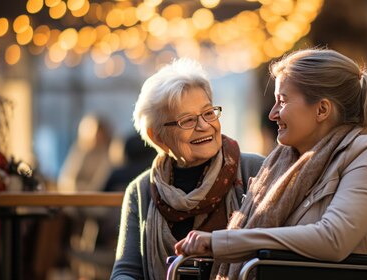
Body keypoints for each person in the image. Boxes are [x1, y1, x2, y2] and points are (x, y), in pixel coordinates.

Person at [174, 48, 367, 279]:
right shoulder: (281, 163)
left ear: (322, 109)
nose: (273, 114)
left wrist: (224, 242)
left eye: (282, 101)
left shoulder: (366, 151)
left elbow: (333, 238)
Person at [110, 58, 264, 280]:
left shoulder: (255, 170)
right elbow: (126, 271)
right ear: (158, 136)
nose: (204, 126)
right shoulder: (141, 190)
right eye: (188, 120)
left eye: (208, 113)